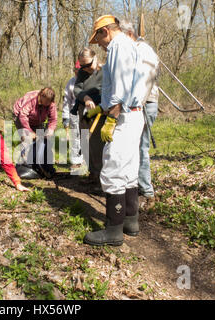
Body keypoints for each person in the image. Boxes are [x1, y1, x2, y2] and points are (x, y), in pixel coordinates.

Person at [83, 15, 149, 247]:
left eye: (98, 39)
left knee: (112, 171)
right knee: (129, 170)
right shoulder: (129, 46)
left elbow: (120, 90)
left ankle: (113, 230)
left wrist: (111, 118)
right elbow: (118, 89)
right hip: (134, 114)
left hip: (122, 117)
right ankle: (130, 221)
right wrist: (98, 110)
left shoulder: (119, 47)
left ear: (105, 32)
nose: (99, 45)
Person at [120, 20, 159, 209]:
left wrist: (136, 103)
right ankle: (136, 188)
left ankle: (146, 191)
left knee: (140, 148)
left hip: (144, 103)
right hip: (138, 104)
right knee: (134, 147)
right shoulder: (133, 49)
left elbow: (142, 81)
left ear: (128, 34)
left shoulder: (141, 49)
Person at [72, 48, 105, 186]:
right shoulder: (81, 73)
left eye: (87, 65)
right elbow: (77, 89)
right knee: (85, 140)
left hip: (99, 111)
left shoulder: (105, 71)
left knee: (97, 143)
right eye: (82, 66)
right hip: (84, 110)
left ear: (95, 58)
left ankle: (100, 176)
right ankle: (92, 172)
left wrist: (95, 100)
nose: (85, 69)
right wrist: (85, 97)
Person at [13, 87, 57, 177]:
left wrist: (51, 129)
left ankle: (42, 165)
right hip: (20, 117)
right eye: (46, 102)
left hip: (38, 120)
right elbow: (23, 116)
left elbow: (53, 119)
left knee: (43, 140)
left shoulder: (51, 104)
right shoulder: (31, 98)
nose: (47, 104)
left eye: (49, 103)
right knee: (28, 139)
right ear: (41, 96)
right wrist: (29, 131)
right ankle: (24, 166)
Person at [62, 60, 84, 173]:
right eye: (75, 71)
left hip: (87, 113)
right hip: (74, 114)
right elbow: (66, 100)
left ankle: (87, 162)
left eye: (79, 71)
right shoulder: (71, 82)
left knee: (86, 137)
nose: (77, 73)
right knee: (75, 138)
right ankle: (76, 161)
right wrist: (65, 117)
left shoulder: (89, 80)